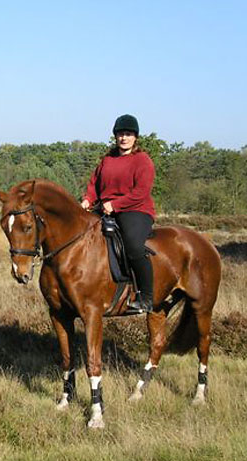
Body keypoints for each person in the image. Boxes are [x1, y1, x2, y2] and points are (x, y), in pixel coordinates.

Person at [80, 114, 155, 313]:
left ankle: (146, 297)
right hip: (106, 208)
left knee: (133, 246)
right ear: (115, 136)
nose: (124, 138)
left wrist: (115, 205)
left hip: (135, 210)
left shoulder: (142, 160)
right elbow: (94, 184)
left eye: (128, 134)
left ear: (135, 137)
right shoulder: (107, 160)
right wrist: (88, 199)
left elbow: (141, 192)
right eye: (120, 134)